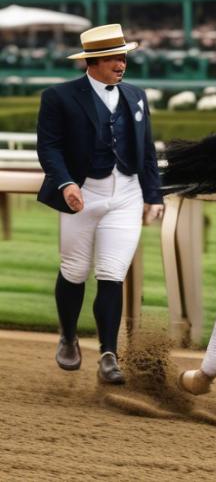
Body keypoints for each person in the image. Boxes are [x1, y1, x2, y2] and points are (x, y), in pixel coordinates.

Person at [36, 24, 164, 384]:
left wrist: (153, 195)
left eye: (123, 57)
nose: (121, 64)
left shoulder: (136, 96)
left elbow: (147, 151)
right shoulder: (58, 97)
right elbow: (49, 147)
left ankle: (109, 355)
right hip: (82, 193)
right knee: (75, 269)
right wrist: (65, 184)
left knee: (111, 273)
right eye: (113, 59)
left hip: (126, 194)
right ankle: (68, 337)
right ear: (91, 62)